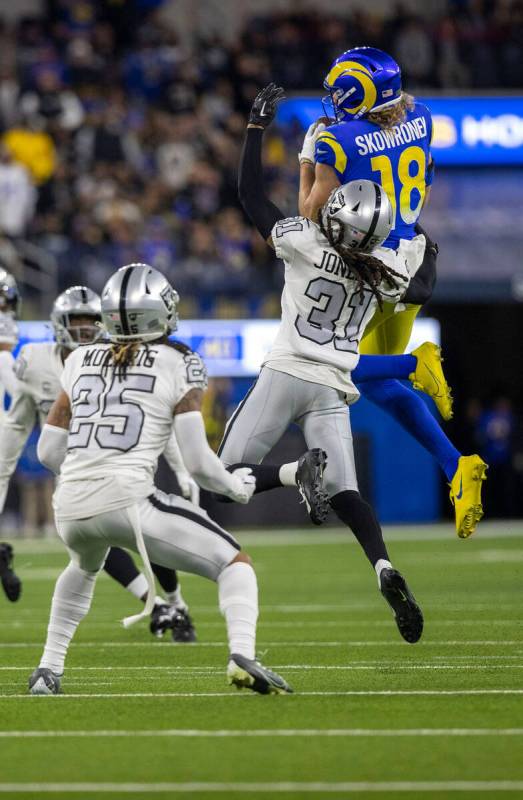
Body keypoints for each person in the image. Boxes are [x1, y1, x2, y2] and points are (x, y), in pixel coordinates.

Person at [218, 84, 458, 646]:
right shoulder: (389, 269)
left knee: (221, 479)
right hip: (334, 387)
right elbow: (421, 280)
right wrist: (419, 235)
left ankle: (287, 474)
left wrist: (259, 131)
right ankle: (383, 566)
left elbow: (250, 193)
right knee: (349, 495)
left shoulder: (304, 241)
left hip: (285, 372)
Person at [29, 263, 292, 696]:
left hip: (71, 505)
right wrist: (236, 488)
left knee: (83, 564)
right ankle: (242, 654)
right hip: (129, 500)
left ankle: (48, 669)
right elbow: (199, 463)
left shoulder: (78, 358)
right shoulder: (180, 359)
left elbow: (47, 452)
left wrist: (89, 469)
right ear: (159, 312)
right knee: (236, 565)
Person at [298, 47, 487, 538]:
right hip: (415, 262)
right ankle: (457, 466)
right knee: (376, 384)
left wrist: (307, 161)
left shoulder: (335, 140)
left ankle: (416, 362)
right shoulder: (421, 117)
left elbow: (309, 217)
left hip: (370, 271)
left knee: (326, 363)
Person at [0, 285, 196, 641]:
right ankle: (159, 607)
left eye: (91, 320)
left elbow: (161, 422)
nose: (84, 329)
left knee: (149, 537)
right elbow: (17, 420)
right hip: (74, 469)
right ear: (58, 323)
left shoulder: (116, 358)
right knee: (94, 544)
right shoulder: (34, 362)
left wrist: (182, 469)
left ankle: (174, 602)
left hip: (122, 461)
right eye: (75, 320)